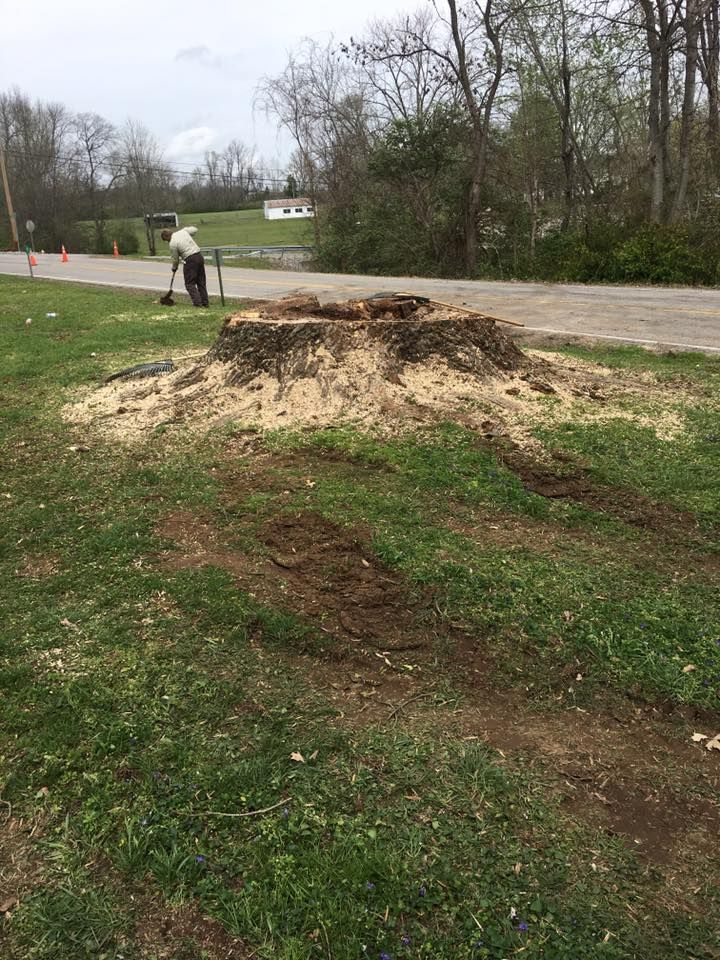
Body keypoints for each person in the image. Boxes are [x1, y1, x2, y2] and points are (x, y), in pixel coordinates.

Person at [160, 225, 209, 307]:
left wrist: (174, 268)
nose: (167, 242)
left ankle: (197, 304)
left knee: (189, 284)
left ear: (167, 236)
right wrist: (187, 232)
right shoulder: (183, 231)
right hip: (199, 256)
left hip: (190, 260)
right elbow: (195, 229)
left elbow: (175, 259)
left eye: (166, 240)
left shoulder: (172, 243)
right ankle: (205, 303)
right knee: (201, 282)